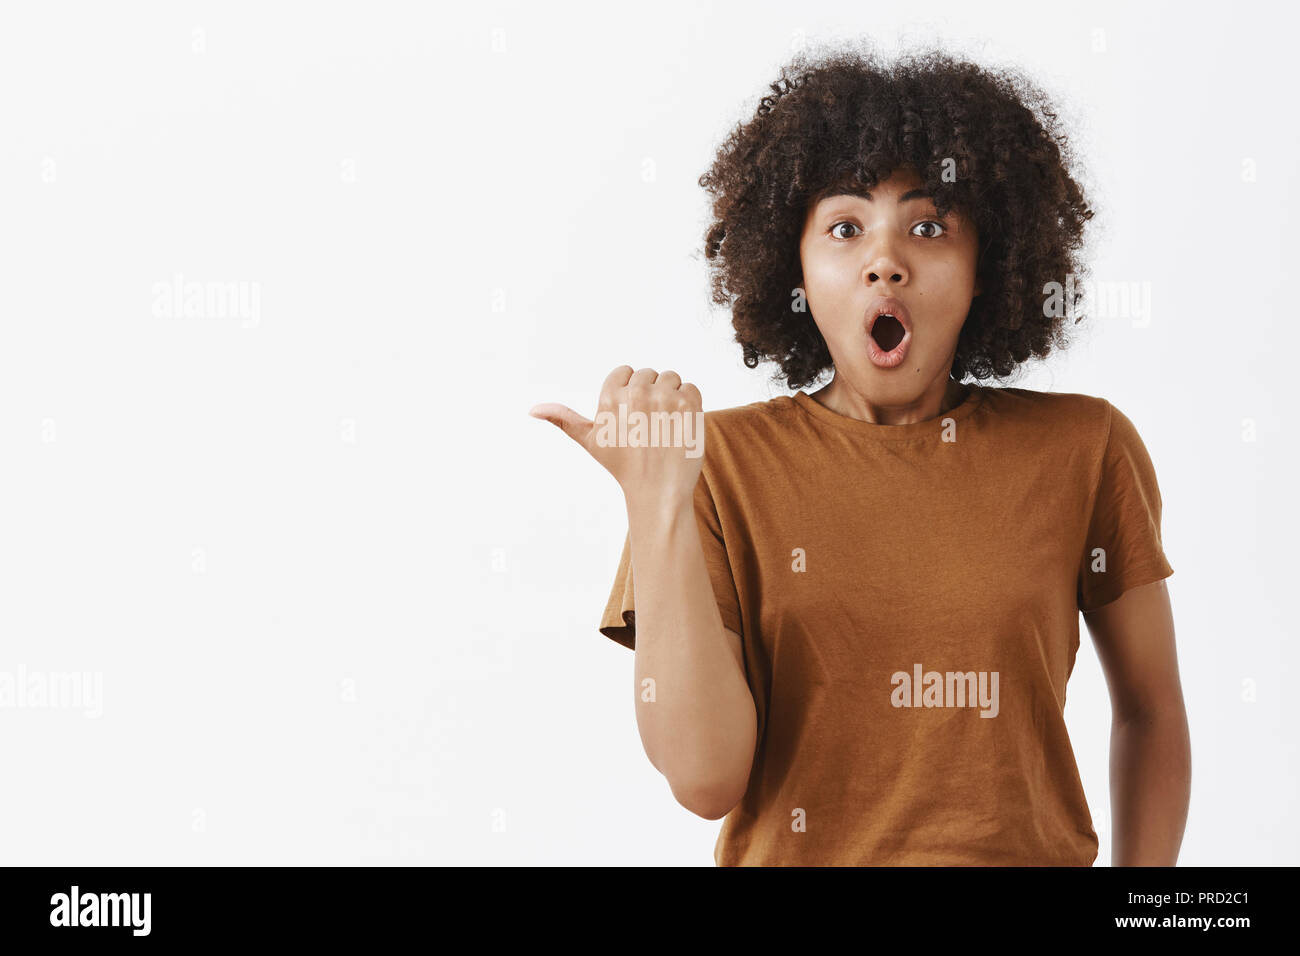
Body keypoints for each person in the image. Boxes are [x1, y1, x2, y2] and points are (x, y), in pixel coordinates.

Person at [530, 42, 1190, 866]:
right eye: (845, 228)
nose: (886, 261)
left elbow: (1151, 709)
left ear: (987, 265)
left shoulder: (1085, 447)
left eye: (928, 226)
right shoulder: (713, 466)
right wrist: (658, 503)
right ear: (794, 266)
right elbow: (705, 781)